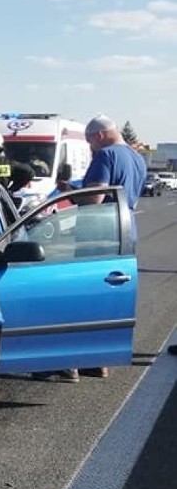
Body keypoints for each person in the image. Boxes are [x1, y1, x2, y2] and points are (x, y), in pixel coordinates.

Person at [42, 115, 146, 382]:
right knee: (106, 301)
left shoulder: (105, 155)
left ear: (98, 135)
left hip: (98, 233)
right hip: (124, 232)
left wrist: (71, 193)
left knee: (80, 296)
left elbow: (95, 197)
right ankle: (98, 361)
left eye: (89, 142)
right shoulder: (135, 158)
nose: (90, 148)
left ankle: (69, 363)